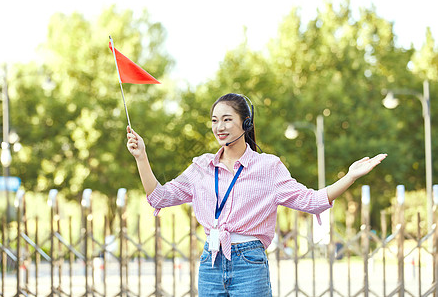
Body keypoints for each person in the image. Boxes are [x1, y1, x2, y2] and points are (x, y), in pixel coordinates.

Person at [126, 93, 387, 296]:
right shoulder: (201, 167)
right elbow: (159, 197)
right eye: (215, 120)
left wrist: (350, 176)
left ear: (245, 122)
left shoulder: (268, 167)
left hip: (248, 261)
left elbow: (311, 200)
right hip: (210, 260)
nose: (220, 127)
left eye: (227, 119)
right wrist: (142, 157)